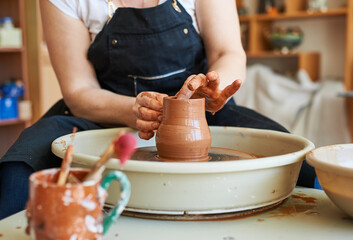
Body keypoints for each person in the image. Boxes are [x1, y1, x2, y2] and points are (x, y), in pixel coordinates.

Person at [0, 0, 315, 220]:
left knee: (302, 164)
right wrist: (132, 110)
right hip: (102, 111)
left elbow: (228, 52)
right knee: (19, 169)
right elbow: (79, 91)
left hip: (199, 109)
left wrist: (215, 86)